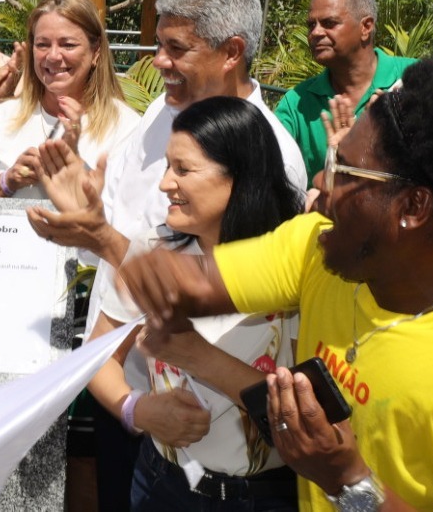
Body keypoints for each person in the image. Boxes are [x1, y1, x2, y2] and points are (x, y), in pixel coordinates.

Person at [118, 59, 433, 510]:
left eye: (347, 171)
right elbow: (193, 282)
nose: (320, 182)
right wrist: (97, 236)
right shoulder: (316, 247)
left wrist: (346, 481)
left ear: (412, 207)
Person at [25, 0, 306, 510]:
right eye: (158, 44)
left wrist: (102, 235)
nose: (158, 62)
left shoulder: (276, 156)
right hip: (134, 402)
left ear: (233, 52)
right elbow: (137, 232)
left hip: (237, 473)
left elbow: (291, 402)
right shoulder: (165, 112)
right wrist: (92, 204)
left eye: (176, 48)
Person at [87, 96, 303, 510]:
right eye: (168, 166)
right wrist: (137, 409)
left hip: (266, 497)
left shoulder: (295, 268)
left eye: (183, 169)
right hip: (160, 487)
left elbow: (304, 418)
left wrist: (198, 357)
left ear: (240, 175)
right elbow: (101, 358)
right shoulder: (152, 253)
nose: (165, 183)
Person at [0, 0, 138, 199]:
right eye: (43, 44)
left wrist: (75, 168)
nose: (53, 56)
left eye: (68, 45)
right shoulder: (5, 116)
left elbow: (127, 214)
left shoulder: (126, 126)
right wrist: (9, 180)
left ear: (96, 52)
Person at [274, 0, 417, 184]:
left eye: (329, 23)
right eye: (311, 25)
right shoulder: (297, 103)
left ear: (366, 27)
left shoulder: (414, 78)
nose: (315, 33)